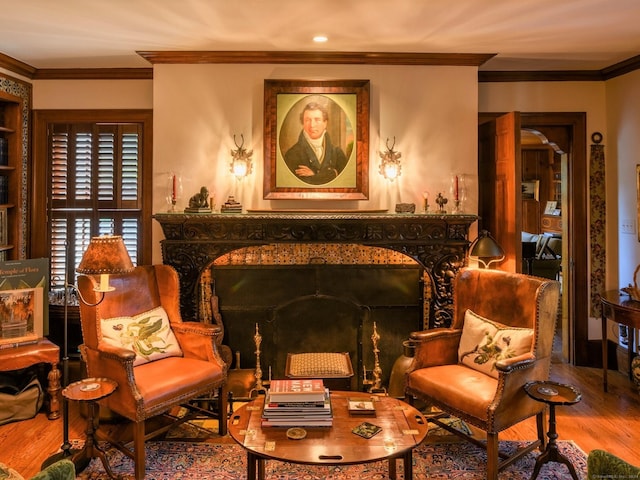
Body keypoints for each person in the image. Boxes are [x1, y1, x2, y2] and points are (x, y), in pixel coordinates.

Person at [283, 102, 348, 185]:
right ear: (303, 124)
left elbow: (344, 181)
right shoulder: (292, 154)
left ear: (325, 123)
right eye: (307, 120)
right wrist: (332, 174)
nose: (312, 125)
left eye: (317, 120)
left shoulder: (337, 153)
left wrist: (315, 175)